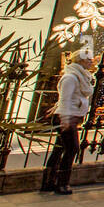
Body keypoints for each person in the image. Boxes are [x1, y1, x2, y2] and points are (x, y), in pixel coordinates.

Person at [44, 48, 94, 195]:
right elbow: (64, 99)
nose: (91, 62)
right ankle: (62, 183)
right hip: (66, 117)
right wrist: (65, 119)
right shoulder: (70, 77)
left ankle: (48, 181)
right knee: (72, 149)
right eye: (88, 59)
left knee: (60, 148)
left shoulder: (82, 76)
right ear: (80, 60)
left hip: (70, 116)